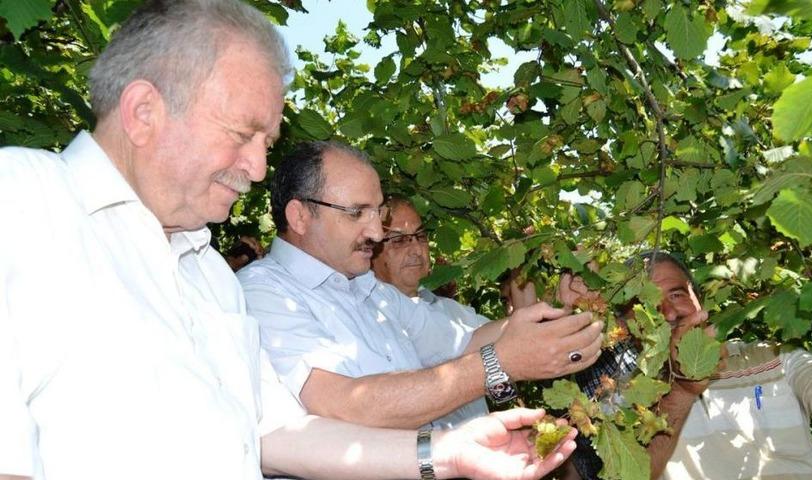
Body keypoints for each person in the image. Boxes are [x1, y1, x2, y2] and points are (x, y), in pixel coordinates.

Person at [0, 1, 578, 479]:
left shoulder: (207, 275)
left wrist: (446, 454)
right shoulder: (22, 200)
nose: (255, 168)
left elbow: (275, 433)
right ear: (144, 111)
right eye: (241, 134)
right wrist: (497, 367)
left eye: (266, 143)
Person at [238, 140, 605, 431]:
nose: (377, 232)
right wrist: (498, 364)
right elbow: (346, 405)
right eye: (356, 213)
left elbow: (464, 341)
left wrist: (557, 307)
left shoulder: (370, 290)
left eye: (377, 213)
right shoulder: (261, 294)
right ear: (300, 216)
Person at [566, 252, 812, 479]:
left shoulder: (773, 358)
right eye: (646, 303)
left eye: (677, 294)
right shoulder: (613, 400)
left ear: (699, 300)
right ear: (624, 325)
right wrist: (681, 390)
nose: (668, 311)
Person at [370, 195, 491, 426]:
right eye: (398, 240)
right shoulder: (373, 315)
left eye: (420, 236)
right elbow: (503, 341)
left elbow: (517, 335)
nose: (416, 249)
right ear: (371, 250)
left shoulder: (451, 310)